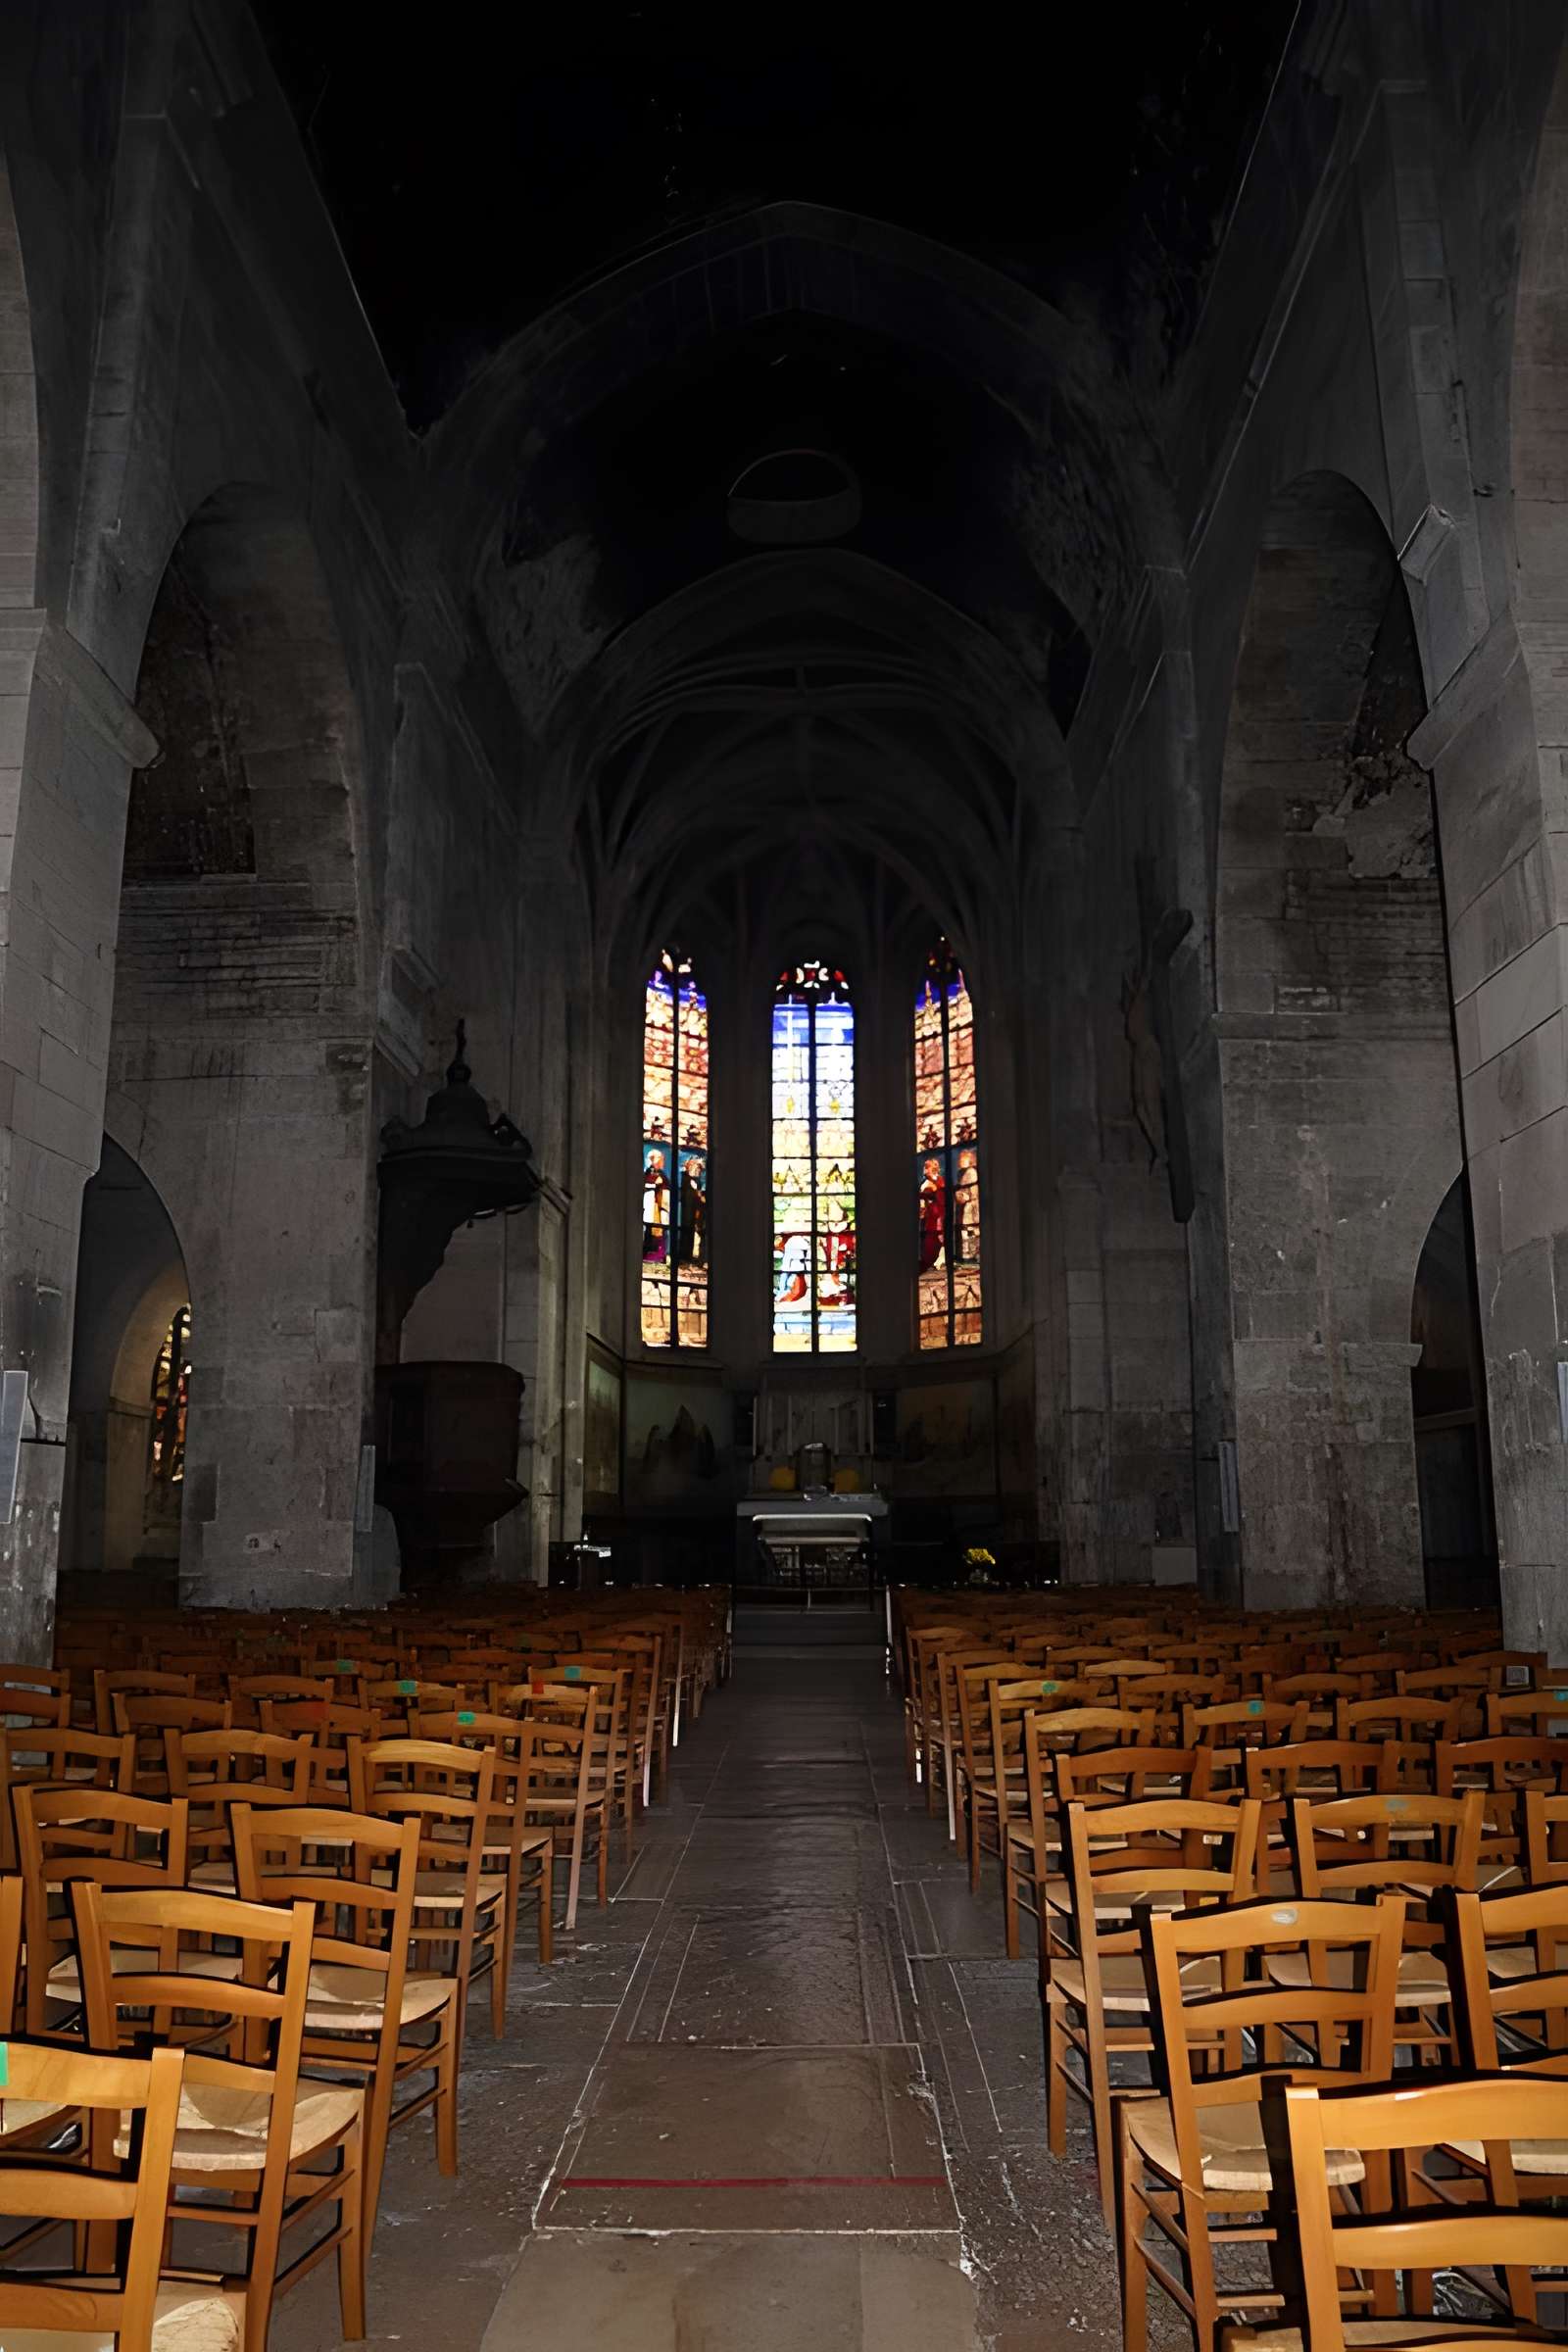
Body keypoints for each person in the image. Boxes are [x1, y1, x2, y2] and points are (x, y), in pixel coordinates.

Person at [642, 1149, 669, 1262]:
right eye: (661, 1159)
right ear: (654, 1161)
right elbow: (645, 1185)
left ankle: (659, 1256)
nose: (663, 1161)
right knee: (650, 1230)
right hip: (651, 1208)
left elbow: (666, 1186)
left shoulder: (662, 1175)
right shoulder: (648, 1173)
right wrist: (654, 1184)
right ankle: (649, 1255)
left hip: (660, 1208)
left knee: (660, 1231)